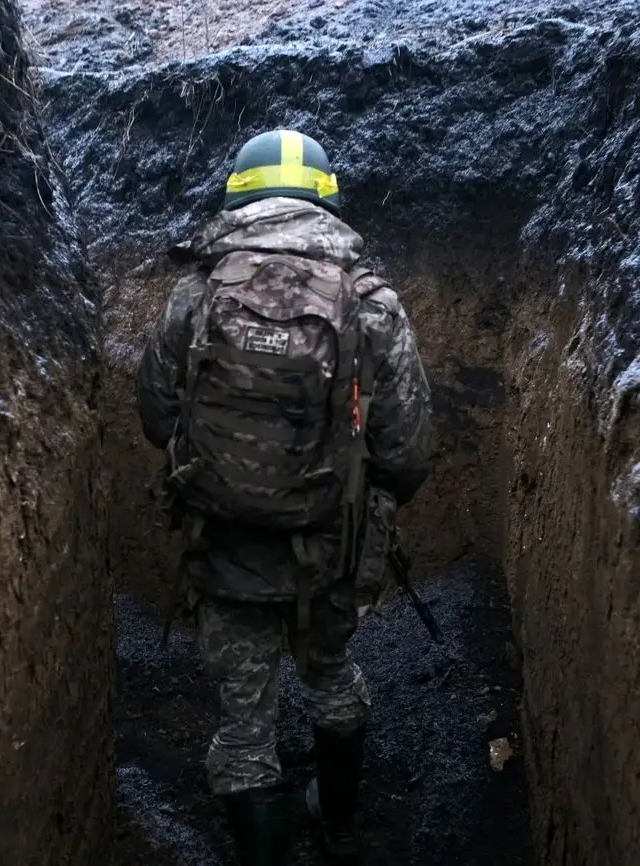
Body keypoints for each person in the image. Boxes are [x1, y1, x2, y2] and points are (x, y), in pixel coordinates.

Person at [135, 129, 433, 866]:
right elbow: (406, 447)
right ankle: (339, 823)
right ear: (325, 200)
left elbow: (156, 415)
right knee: (331, 673)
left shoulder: (196, 293)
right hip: (332, 546)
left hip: (223, 544)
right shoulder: (372, 304)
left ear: (240, 196)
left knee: (244, 725)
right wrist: (365, 501)